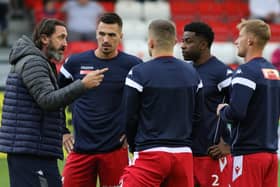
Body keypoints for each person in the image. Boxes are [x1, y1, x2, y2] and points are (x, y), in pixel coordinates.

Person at [0, 18, 108, 187]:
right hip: (31, 154)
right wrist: (82, 85)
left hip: (34, 150)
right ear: (44, 39)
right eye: (61, 37)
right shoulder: (33, 62)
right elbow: (48, 100)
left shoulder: (38, 62)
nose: (65, 43)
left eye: (66, 38)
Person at [59, 12, 142, 187]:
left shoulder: (134, 66)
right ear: (96, 33)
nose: (106, 39)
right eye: (102, 34)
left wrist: (133, 132)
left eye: (111, 35)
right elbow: (56, 98)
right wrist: (62, 130)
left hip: (115, 150)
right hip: (80, 148)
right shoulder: (74, 63)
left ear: (121, 36)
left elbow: (147, 103)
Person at [120, 19, 202, 187]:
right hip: (183, 155)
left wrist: (134, 145)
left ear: (150, 42)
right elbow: (199, 117)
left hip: (150, 153)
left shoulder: (138, 73)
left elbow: (129, 116)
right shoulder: (193, 74)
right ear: (175, 42)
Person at [217, 19, 280, 187]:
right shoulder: (274, 72)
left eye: (240, 36)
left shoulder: (245, 72)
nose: (236, 41)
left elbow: (237, 112)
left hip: (249, 154)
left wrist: (223, 111)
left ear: (250, 40)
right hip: (271, 155)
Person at [181, 22, 233, 187]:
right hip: (185, 153)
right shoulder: (184, 71)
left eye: (188, 41)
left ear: (203, 44)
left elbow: (244, 109)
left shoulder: (222, 73)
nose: (182, 46)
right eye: (182, 41)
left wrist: (229, 144)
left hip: (211, 156)